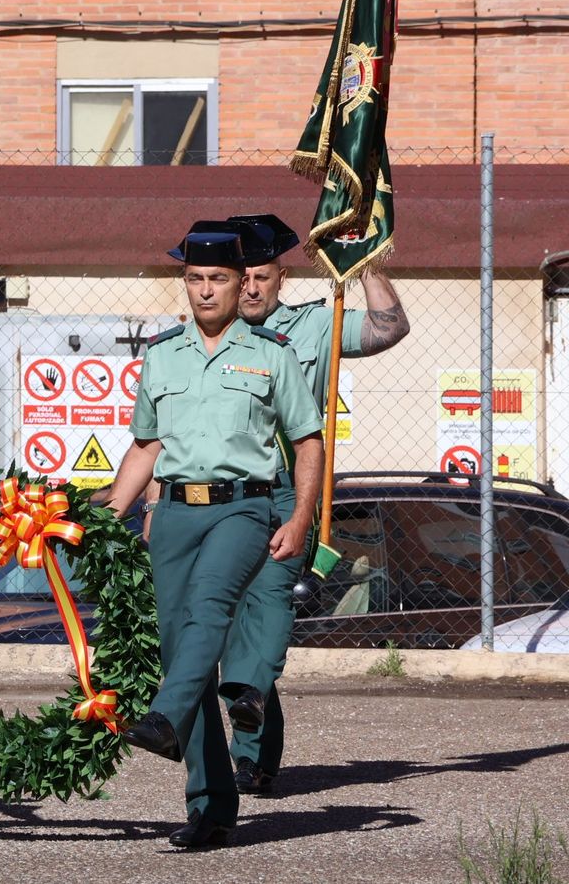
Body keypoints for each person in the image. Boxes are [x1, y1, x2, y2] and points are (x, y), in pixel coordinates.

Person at [106, 221, 323, 849]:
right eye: (196, 279)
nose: (206, 291)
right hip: (173, 514)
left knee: (210, 608)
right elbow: (147, 445)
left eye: (219, 280)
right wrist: (112, 507)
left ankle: (164, 719)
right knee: (185, 656)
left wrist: (300, 517)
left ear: (240, 283)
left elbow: (308, 439)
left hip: (244, 508)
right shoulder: (161, 355)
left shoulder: (271, 353)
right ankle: (210, 806)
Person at [219, 212, 410, 796]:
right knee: (232, 635)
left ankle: (247, 749)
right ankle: (256, 748)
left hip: (286, 490)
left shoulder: (315, 325)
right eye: (241, 276)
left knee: (273, 595)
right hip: (225, 496)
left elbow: (388, 327)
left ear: (282, 277)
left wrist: (365, 259)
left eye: (262, 275)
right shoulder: (209, 335)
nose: (250, 287)